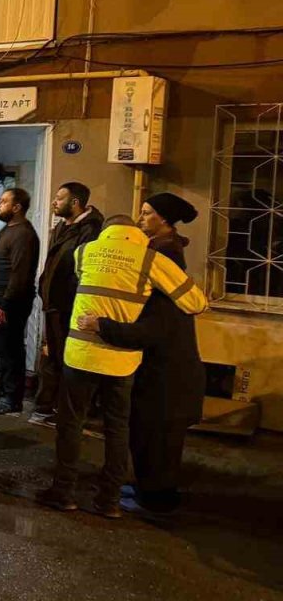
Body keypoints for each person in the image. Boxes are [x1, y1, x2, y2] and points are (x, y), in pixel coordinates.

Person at [37, 215, 208, 518]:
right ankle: (109, 501)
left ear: (107, 233)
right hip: (122, 358)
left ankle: (63, 493)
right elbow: (196, 303)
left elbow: (79, 280)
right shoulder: (150, 259)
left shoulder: (85, 251)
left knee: (70, 426)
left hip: (81, 354)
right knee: (117, 429)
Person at [90, 192, 204, 515]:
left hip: (168, 372)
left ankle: (157, 499)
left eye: (147, 213)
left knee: (159, 440)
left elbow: (157, 324)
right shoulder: (157, 253)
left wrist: (104, 325)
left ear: (164, 220)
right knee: (148, 434)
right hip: (159, 368)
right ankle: (146, 488)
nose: (141, 218)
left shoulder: (163, 260)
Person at [33, 182, 104, 425]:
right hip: (54, 305)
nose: (54, 201)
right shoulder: (63, 227)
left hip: (69, 307)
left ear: (75, 203)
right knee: (54, 356)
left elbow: (78, 270)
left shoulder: (90, 229)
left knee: (69, 359)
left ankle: (69, 412)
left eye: (59, 198)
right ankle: (51, 405)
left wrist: (68, 299)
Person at [0, 188, 41, 415]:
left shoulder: (24, 235)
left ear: (17, 207)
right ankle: (4, 390)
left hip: (10, 302)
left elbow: (20, 273)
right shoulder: (9, 230)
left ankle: (11, 398)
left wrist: (5, 304)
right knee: (2, 347)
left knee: (10, 348)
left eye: (4, 201)